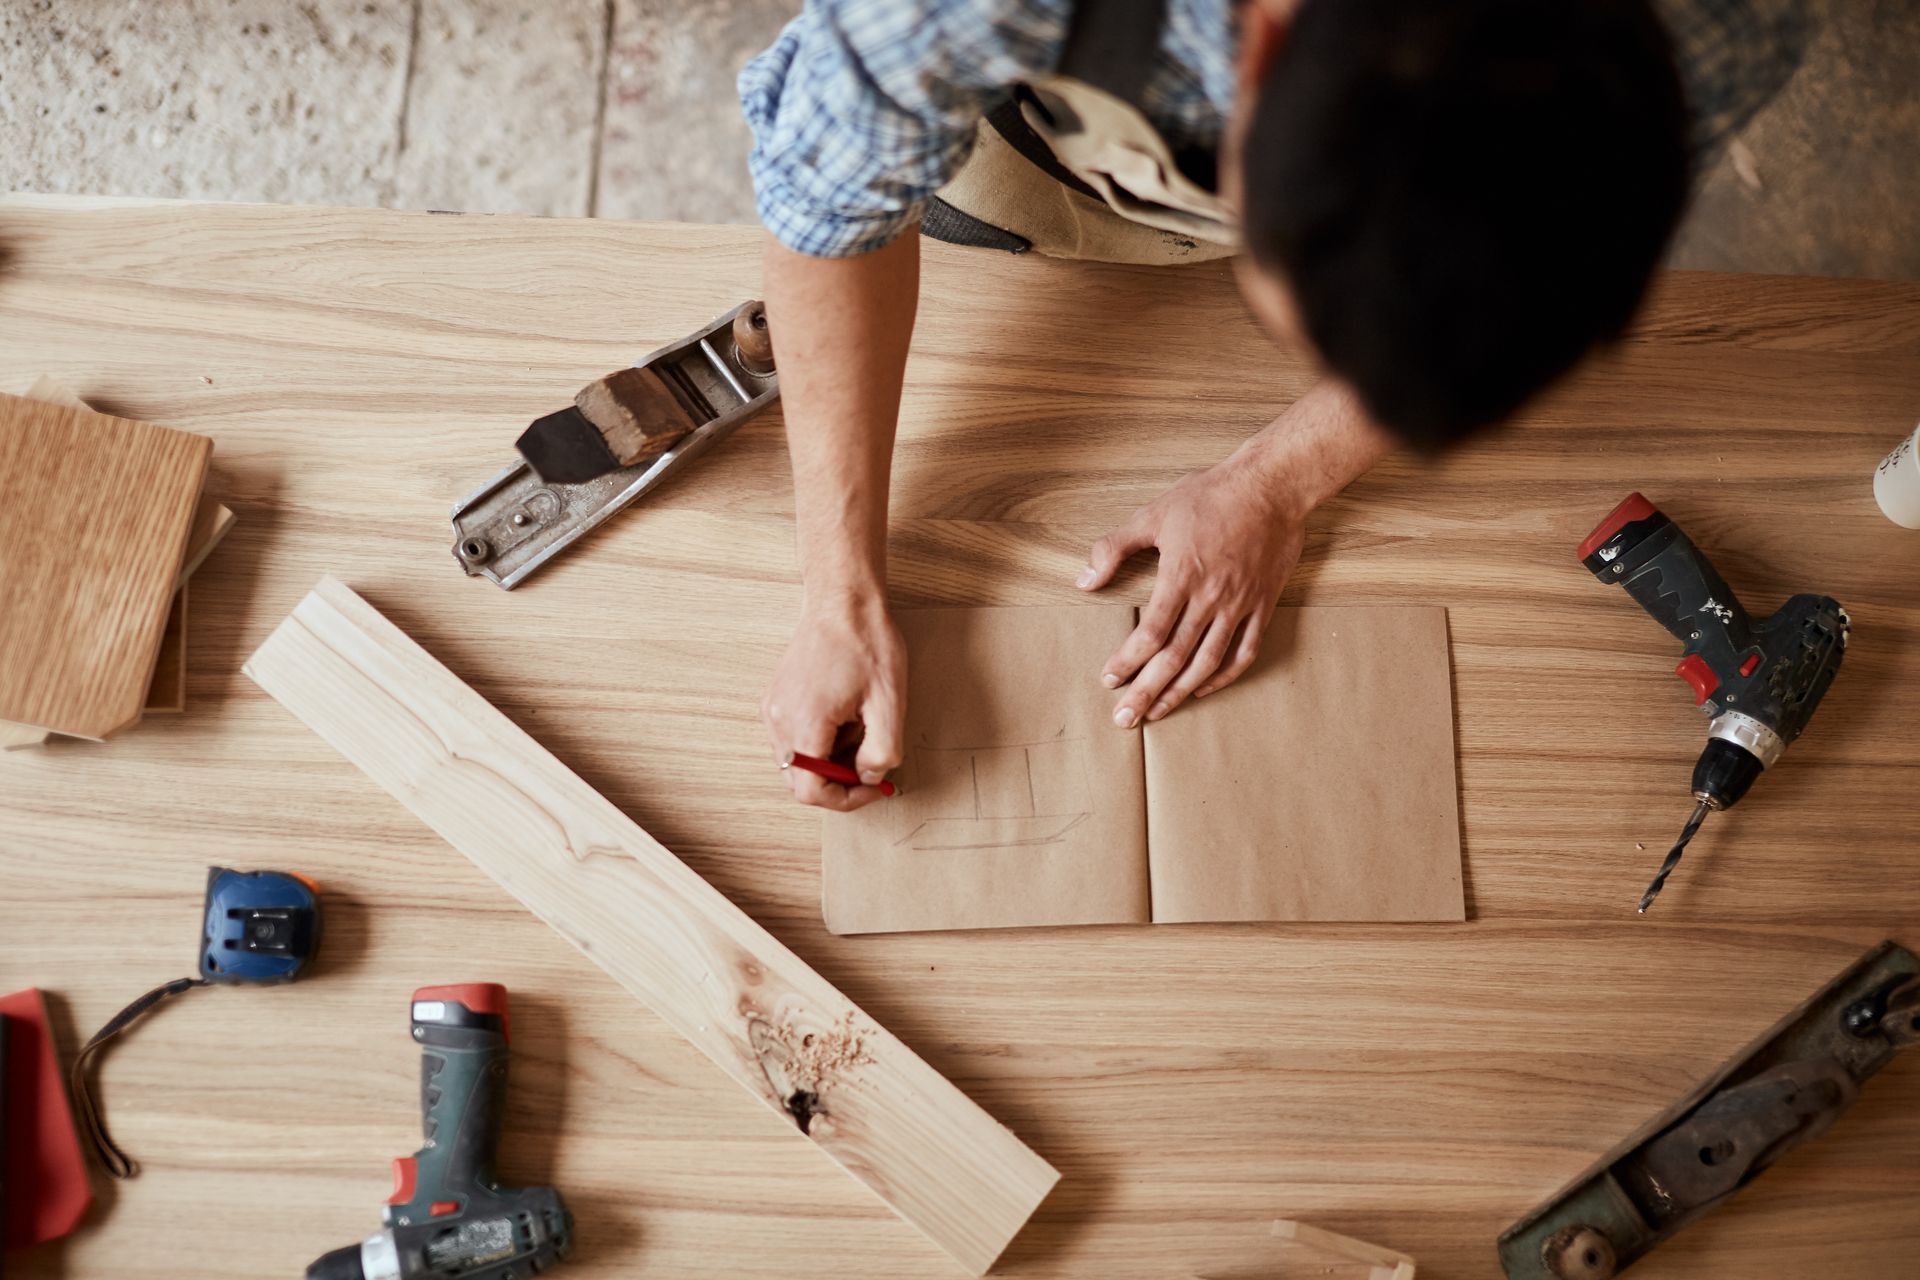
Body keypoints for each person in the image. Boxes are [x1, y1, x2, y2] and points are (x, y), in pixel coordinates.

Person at [739, 0, 1808, 810]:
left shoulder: (1723, 23)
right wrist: (841, 593)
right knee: (960, 206)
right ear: (1254, 53)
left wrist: (1279, 478)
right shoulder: (958, 13)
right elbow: (830, 211)